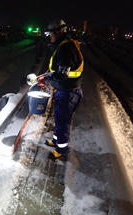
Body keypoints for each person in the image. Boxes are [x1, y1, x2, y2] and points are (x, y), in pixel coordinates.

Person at [40, 19, 84, 160]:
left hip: (68, 92)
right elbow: (59, 70)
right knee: (59, 118)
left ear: (58, 32)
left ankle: (61, 150)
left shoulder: (66, 48)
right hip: (65, 90)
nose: (49, 36)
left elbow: (62, 74)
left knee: (63, 121)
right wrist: (48, 75)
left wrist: (47, 79)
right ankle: (56, 140)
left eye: (50, 33)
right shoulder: (64, 45)